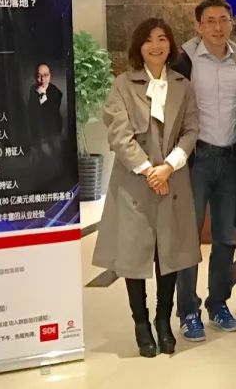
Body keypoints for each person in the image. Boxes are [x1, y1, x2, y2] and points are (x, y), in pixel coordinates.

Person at [93, 18, 200, 358]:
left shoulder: (183, 84)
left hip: (173, 178)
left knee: (169, 252)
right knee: (134, 253)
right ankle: (140, 323)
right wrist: (149, 170)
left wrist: (169, 166)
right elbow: (119, 135)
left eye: (163, 39)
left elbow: (191, 129)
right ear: (138, 47)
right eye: (149, 40)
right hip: (134, 182)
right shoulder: (122, 85)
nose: (156, 46)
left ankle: (163, 319)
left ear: (171, 45)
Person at [169, 0, 236, 342]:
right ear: (198, 26)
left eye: (224, 20)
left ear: (231, 22)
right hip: (195, 160)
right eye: (210, 21)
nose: (218, 27)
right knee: (189, 239)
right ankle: (188, 310)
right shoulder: (184, 61)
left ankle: (218, 303)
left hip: (231, 159)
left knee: (225, 237)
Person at [29, 63, 63, 143]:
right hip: (38, 131)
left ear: (50, 76)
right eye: (39, 75)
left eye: (45, 75)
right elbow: (31, 109)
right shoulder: (33, 88)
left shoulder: (57, 92)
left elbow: (50, 115)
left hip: (53, 131)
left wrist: (43, 94)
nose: (42, 79)